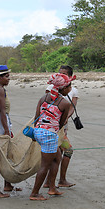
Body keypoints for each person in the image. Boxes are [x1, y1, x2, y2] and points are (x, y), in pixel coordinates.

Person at [29, 73, 74, 201]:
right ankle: (34, 193)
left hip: (38, 131)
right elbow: (61, 123)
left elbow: (36, 116)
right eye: (69, 87)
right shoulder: (64, 103)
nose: (70, 89)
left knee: (56, 158)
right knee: (45, 165)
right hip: (49, 135)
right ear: (64, 88)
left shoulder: (43, 98)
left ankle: (52, 188)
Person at [45, 65, 78, 188]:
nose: (60, 76)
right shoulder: (51, 90)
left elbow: (71, 108)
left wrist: (65, 119)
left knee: (55, 152)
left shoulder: (72, 90)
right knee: (64, 150)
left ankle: (50, 181)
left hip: (59, 126)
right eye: (59, 73)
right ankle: (56, 181)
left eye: (63, 74)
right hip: (55, 128)